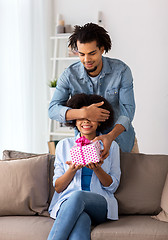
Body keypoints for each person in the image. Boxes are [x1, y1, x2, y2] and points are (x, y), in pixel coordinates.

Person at [48, 22, 138, 159]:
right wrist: (84, 112)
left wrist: (110, 137)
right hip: (86, 148)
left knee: (133, 181)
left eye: (92, 53)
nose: (86, 59)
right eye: (81, 54)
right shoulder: (69, 75)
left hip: (122, 143)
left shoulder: (121, 71)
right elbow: (53, 109)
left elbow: (128, 110)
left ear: (102, 49)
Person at [47, 93, 121, 240]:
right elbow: (58, 187)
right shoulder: (64, 146)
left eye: (92, 118)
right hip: (68, 204)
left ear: (100, 122)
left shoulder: (110, 147)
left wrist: (97, 169)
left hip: (99, 203)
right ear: (74, 121)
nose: (86, 122)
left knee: (78, 196)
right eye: (81, 118)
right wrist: (72, 170)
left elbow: (112, 187)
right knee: (82, 219)